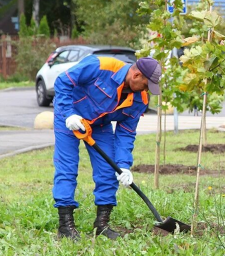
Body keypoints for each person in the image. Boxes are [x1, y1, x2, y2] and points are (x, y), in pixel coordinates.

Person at [52, 55, 161, 240]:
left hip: (98, 125)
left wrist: (124, 165)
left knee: (108, 170)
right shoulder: (100, 66)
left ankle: (101, 224)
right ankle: (65, 226)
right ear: (136, 75)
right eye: (146, 85)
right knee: (67, 168)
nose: (146, 91)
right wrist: (69, 114)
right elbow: (63, 81)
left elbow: (125, 133)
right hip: (69, 120)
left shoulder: (139, 101)